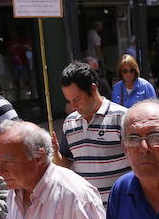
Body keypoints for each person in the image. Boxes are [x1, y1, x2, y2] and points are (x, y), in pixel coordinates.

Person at [54, 62, 129, 204]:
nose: (73, 106)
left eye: (76, 99)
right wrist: (56, 157)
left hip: (122, 210)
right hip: (88, 213)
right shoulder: (69, 123)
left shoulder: (123, 118)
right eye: (69, 101)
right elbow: (68, 164)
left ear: (93, 89)